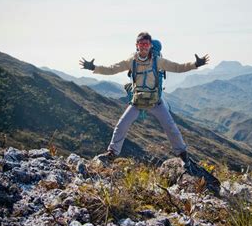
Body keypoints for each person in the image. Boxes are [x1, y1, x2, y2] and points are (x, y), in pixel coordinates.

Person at [79, 32, 209, 169]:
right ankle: (111, 154)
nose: (144, 47)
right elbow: (112, 69)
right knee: (121, 125)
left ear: (150, 46)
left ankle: (183, 156)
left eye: (146, 44)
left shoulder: (157, 60)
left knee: (171, 128)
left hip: (155, 102)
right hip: (138, 102)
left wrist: (195, 64)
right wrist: (93, 67)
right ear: (137, 46)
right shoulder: (132, 61)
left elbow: (177, 67)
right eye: (141, 44)